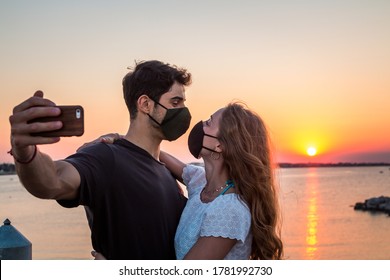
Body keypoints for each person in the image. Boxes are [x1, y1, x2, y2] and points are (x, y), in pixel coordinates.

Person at [8, 60, 192, 260]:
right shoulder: (107, 157)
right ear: (146, 104)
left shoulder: (167, 173)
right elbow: (53, 180)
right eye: (175, 103)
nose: (183, 111)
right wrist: (25, 153)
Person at [93, 102, 284, 259]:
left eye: (209, 123)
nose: (201, 126)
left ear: (220, 145)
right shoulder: (201, 181)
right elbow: (156, 154)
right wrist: (121, 140)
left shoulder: (229, 210)